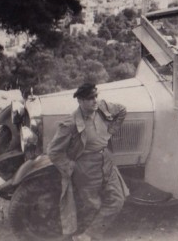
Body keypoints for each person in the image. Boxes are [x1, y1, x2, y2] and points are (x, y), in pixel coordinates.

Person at [47, 83, 128, 241]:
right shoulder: (70, 123)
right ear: (80, 101)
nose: (95, 100)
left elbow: (122, 110)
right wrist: (70, 167)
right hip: (86, 167)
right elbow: (53, 151)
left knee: (117, 200)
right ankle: (83, 235)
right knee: (92, 206)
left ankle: (89, 234)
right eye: (90, 98)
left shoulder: (102, 107)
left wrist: (111, 131)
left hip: (106, 162)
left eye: (96, 96)